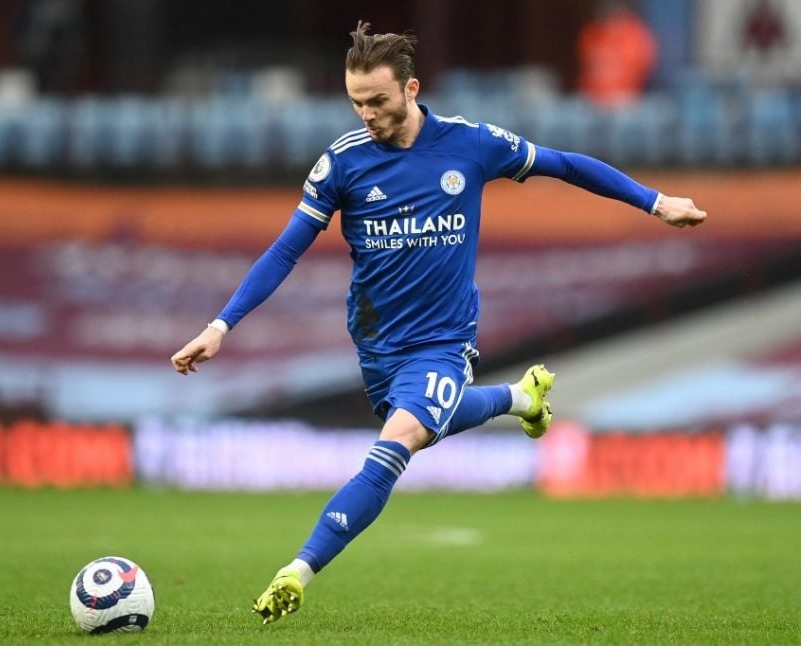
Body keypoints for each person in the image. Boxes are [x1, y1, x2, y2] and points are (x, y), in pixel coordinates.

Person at [170, 21, 706, 624]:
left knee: (399, 440)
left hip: (443, 340)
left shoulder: (470, 144)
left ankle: (298, 569)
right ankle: (518, 398)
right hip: (375, 341)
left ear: (410, 88)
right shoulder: (341, 165)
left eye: (377, 101)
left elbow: (564, 164)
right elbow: (285, 250)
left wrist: (655, 202)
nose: (367, 114)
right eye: (356, 103)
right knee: (425, 422)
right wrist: (222, 325)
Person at [577, 1, 658, 108]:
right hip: (592, 103)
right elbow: (588, 68)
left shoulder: (636, 35)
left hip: (626, 103)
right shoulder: (591, 34)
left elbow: (643, 70)